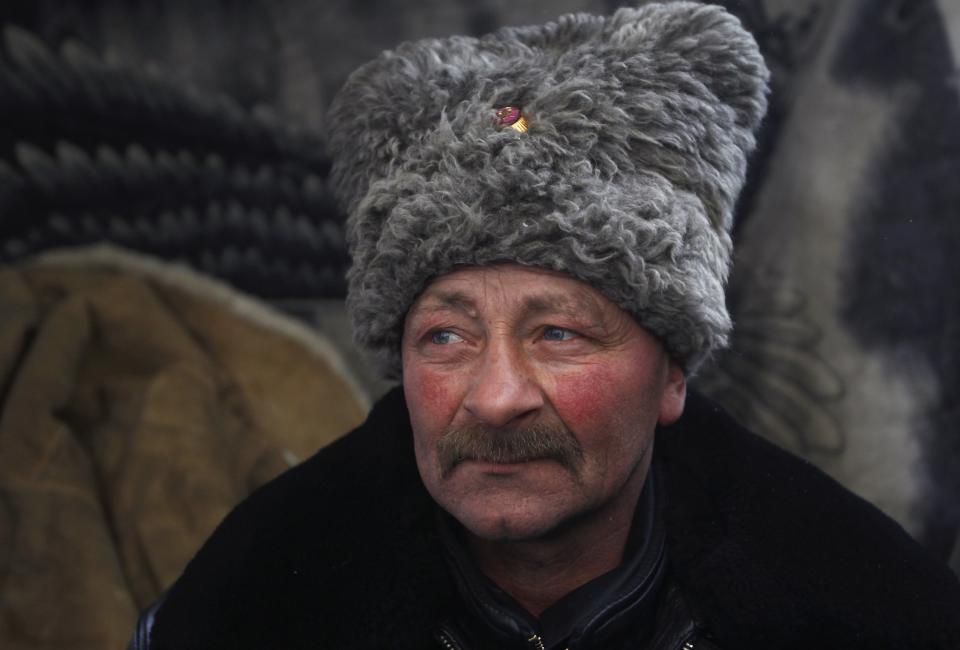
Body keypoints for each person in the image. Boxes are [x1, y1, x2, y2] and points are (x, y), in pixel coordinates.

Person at [131, 2, 960, 648]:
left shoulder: (867, 610)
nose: (494, 399)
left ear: (671, 373)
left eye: (558, 333)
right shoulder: (250, 606)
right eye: (446, 337)